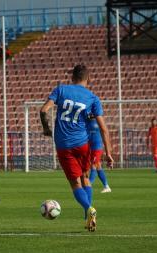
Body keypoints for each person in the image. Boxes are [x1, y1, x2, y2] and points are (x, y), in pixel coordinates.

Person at [40, 64, 113, 232]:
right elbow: (103, 128)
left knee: (75, 183)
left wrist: (46, 129)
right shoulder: (93, 98)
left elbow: (43, 110)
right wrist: (108, 153)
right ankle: (87, 214)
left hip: (64, 146)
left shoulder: (61, 90)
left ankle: (89, 209)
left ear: (72, 77)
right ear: (89, 79)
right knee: (86, 178)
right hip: (83, 145)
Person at [87, 114, 111, 193]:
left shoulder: (95, 123)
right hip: (91, 147)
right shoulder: (89, 122)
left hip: (97, 147)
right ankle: (106, 186)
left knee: (93, 165)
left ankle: (88, 184)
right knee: (98, 167)